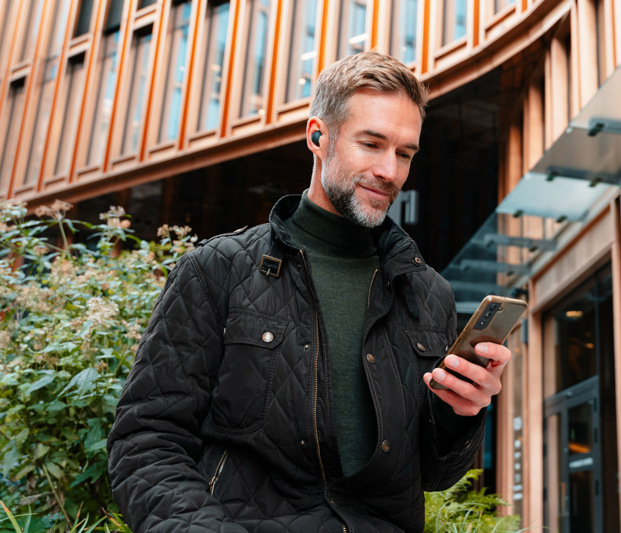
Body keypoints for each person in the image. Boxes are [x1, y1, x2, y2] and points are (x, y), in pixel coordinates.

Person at [107, 51, 512, 533]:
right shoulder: (217, 269)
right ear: (318, 136)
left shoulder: (428, 294)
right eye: (372, 144)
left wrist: (462, 412)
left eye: (405, 153)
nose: (390, 171)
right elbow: (146, 440)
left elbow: (437, 474)